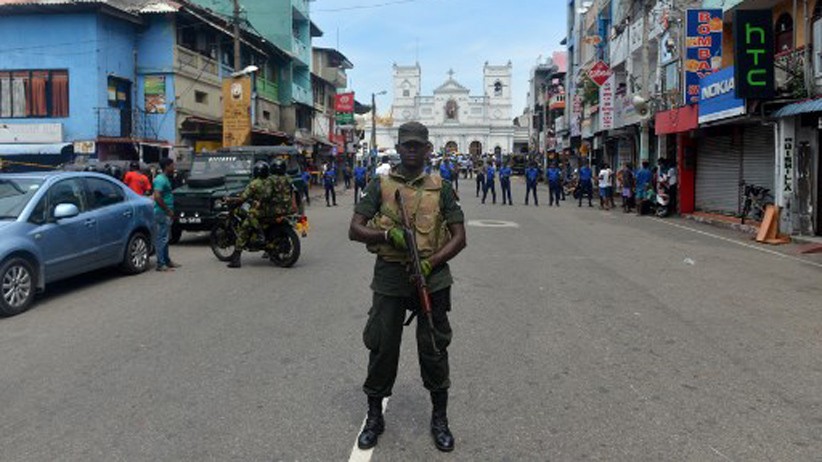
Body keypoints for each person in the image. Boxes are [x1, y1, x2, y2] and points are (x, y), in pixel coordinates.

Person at [348, 121, 466, 453]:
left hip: (433, 277)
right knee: (382, 346)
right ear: (398, 148)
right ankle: (374, 416)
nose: (412, 150)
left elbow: (460, 237)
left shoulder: (441, 186)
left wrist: (431, 262)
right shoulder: (380, 185)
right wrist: (387, 235)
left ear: (428, 149)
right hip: (390, 275)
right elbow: (355, 229)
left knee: (434, 347)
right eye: (407, 145)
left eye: (418, 145)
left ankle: (439, 419)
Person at [226, 161, 274, 268]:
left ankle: (236, 260)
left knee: (244, 229)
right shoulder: (271, 181)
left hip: (260, 212)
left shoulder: (254, 183)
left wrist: (233, 200)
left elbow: (243, 198)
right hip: (273, 211)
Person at [153, 158, 179, 272]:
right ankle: (160, 264)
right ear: (167, 166)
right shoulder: (160, 180)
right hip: (162, 212)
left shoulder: (165, 178)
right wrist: (168, 210)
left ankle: (167, 261)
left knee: (166, 238)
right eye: (172, 166)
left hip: (166, 212)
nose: (174, 168)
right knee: (162, 238)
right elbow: (157, 197)